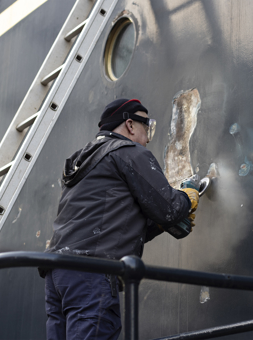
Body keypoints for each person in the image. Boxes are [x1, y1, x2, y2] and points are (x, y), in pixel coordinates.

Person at [39, 98, 199, 340]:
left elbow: (111, 222)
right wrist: (188, 198)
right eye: (148, 128)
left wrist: (156, 225)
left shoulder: (85, 162)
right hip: (91, 273)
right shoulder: (128, 153)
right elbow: (169, 208)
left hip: (58, 277)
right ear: (131, 125)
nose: (147, 138)